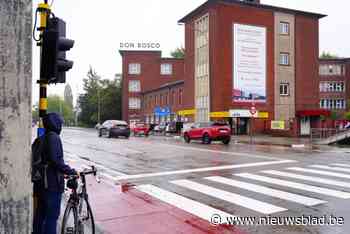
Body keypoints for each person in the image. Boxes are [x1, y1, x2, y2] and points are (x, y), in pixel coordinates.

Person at [33, 113, 78, 234]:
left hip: (39, 184)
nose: (61, 126)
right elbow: (55, 160)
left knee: (40, 214)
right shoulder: (53, 137)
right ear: (56, 124)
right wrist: (71, 171)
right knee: (52, 218)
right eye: (60, 123)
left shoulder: (40, 139)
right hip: (51, 184)